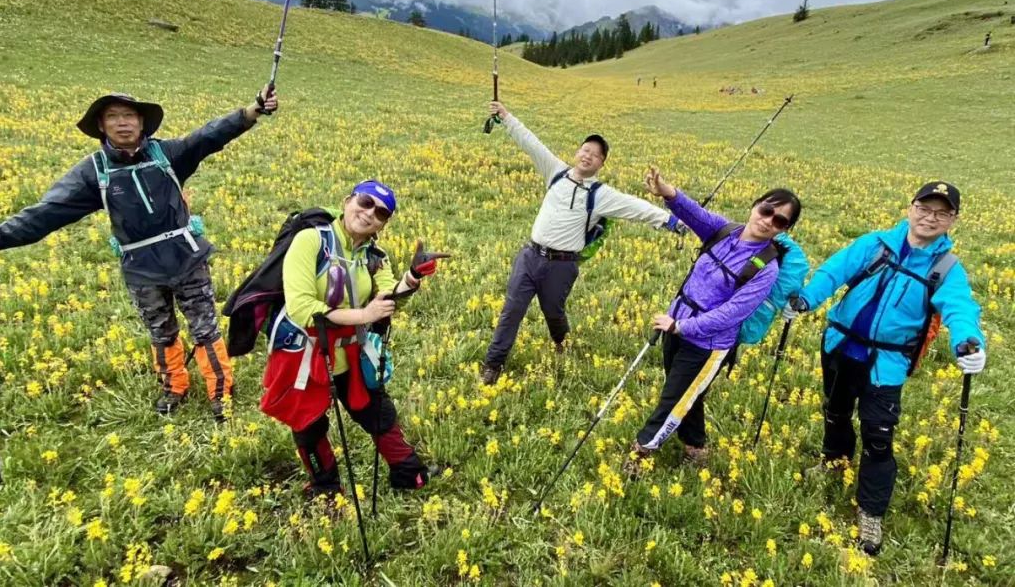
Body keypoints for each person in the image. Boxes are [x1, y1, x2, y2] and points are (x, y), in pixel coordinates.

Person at [0, 87, 278, 421]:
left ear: (141, 122)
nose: (122, 123)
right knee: (160, 330)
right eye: (113, 117)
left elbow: (209, 136)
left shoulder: (167, 155)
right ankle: (174, 386)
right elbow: (45, 213)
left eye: (129, 116)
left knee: (204, 327)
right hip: (141, 268)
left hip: (186, 259)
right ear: (101, 126)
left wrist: (251, 111)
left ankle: (221, 393)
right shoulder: (94, 171)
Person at [789, 181, 985, 555]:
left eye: (941, 213)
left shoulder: (947, 269)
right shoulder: (875, 243)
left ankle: (871, 512)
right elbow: (834, 271)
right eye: (924, 208)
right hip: (840, 345)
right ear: (911, 208)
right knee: (835, 411)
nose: (930, 218)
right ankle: (834, 461)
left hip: (887, 363)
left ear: (952, 220)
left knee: (878, 437)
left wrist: (968, 341)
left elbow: (960, 308)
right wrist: (807, 299)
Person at [259, 180, 444, 498]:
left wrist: (412, 278)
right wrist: (364, 315)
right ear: (348, 201)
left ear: (383, 225)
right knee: (308, 425)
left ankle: (408, 474)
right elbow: (302, 308)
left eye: (381, 213)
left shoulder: (375, 255)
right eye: (365, 202)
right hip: (306, 354)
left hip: (351, 354)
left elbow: (387, 298)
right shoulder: (310, 241)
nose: (370, 213)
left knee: (379, 412)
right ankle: (326, 489)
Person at [479, 101, 683, 385]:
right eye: (585, 150)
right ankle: (493, 364)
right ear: (577, 152)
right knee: (511, 311)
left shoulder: (601, 194)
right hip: (530, 256)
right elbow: (531, 143)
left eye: (596, 155)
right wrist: (505, 116)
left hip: (562, 265)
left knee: (554, 311)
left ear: (601, 164)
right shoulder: (556, 172)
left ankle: (562, 343)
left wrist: (672, 221)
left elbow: (635, 207)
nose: (588, 156)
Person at [626, 166, 801, 468]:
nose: (767, 220)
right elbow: (695, 214)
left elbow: (732, 313)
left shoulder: (766, 269)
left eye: (779, 221)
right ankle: (696, 447)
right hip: (676, 326)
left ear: (785, 229)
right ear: (755, 205)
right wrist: (667, 191)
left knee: (672, 400)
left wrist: (681, 326)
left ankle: (640, 453)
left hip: (707, 344)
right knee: (685, 391)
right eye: (766, 210)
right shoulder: (725, 231)